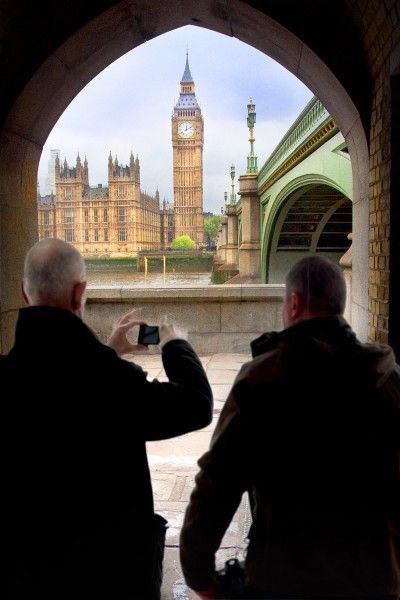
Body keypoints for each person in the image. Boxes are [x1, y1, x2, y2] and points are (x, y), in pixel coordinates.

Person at [3, 238, 213, 600]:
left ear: (24, 293)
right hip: (109, 577)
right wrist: (176, 344)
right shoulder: (112, 382)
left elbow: (60, 384)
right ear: (79, 293)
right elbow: (195, 405)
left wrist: (107, 353)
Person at [180, 255, 400, 599]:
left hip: (282, 579)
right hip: (373, 579)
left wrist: (200, 577)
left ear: (294, 303)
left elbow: (215, 486)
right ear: (339, 305)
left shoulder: (263, 378)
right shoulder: (386, 377)